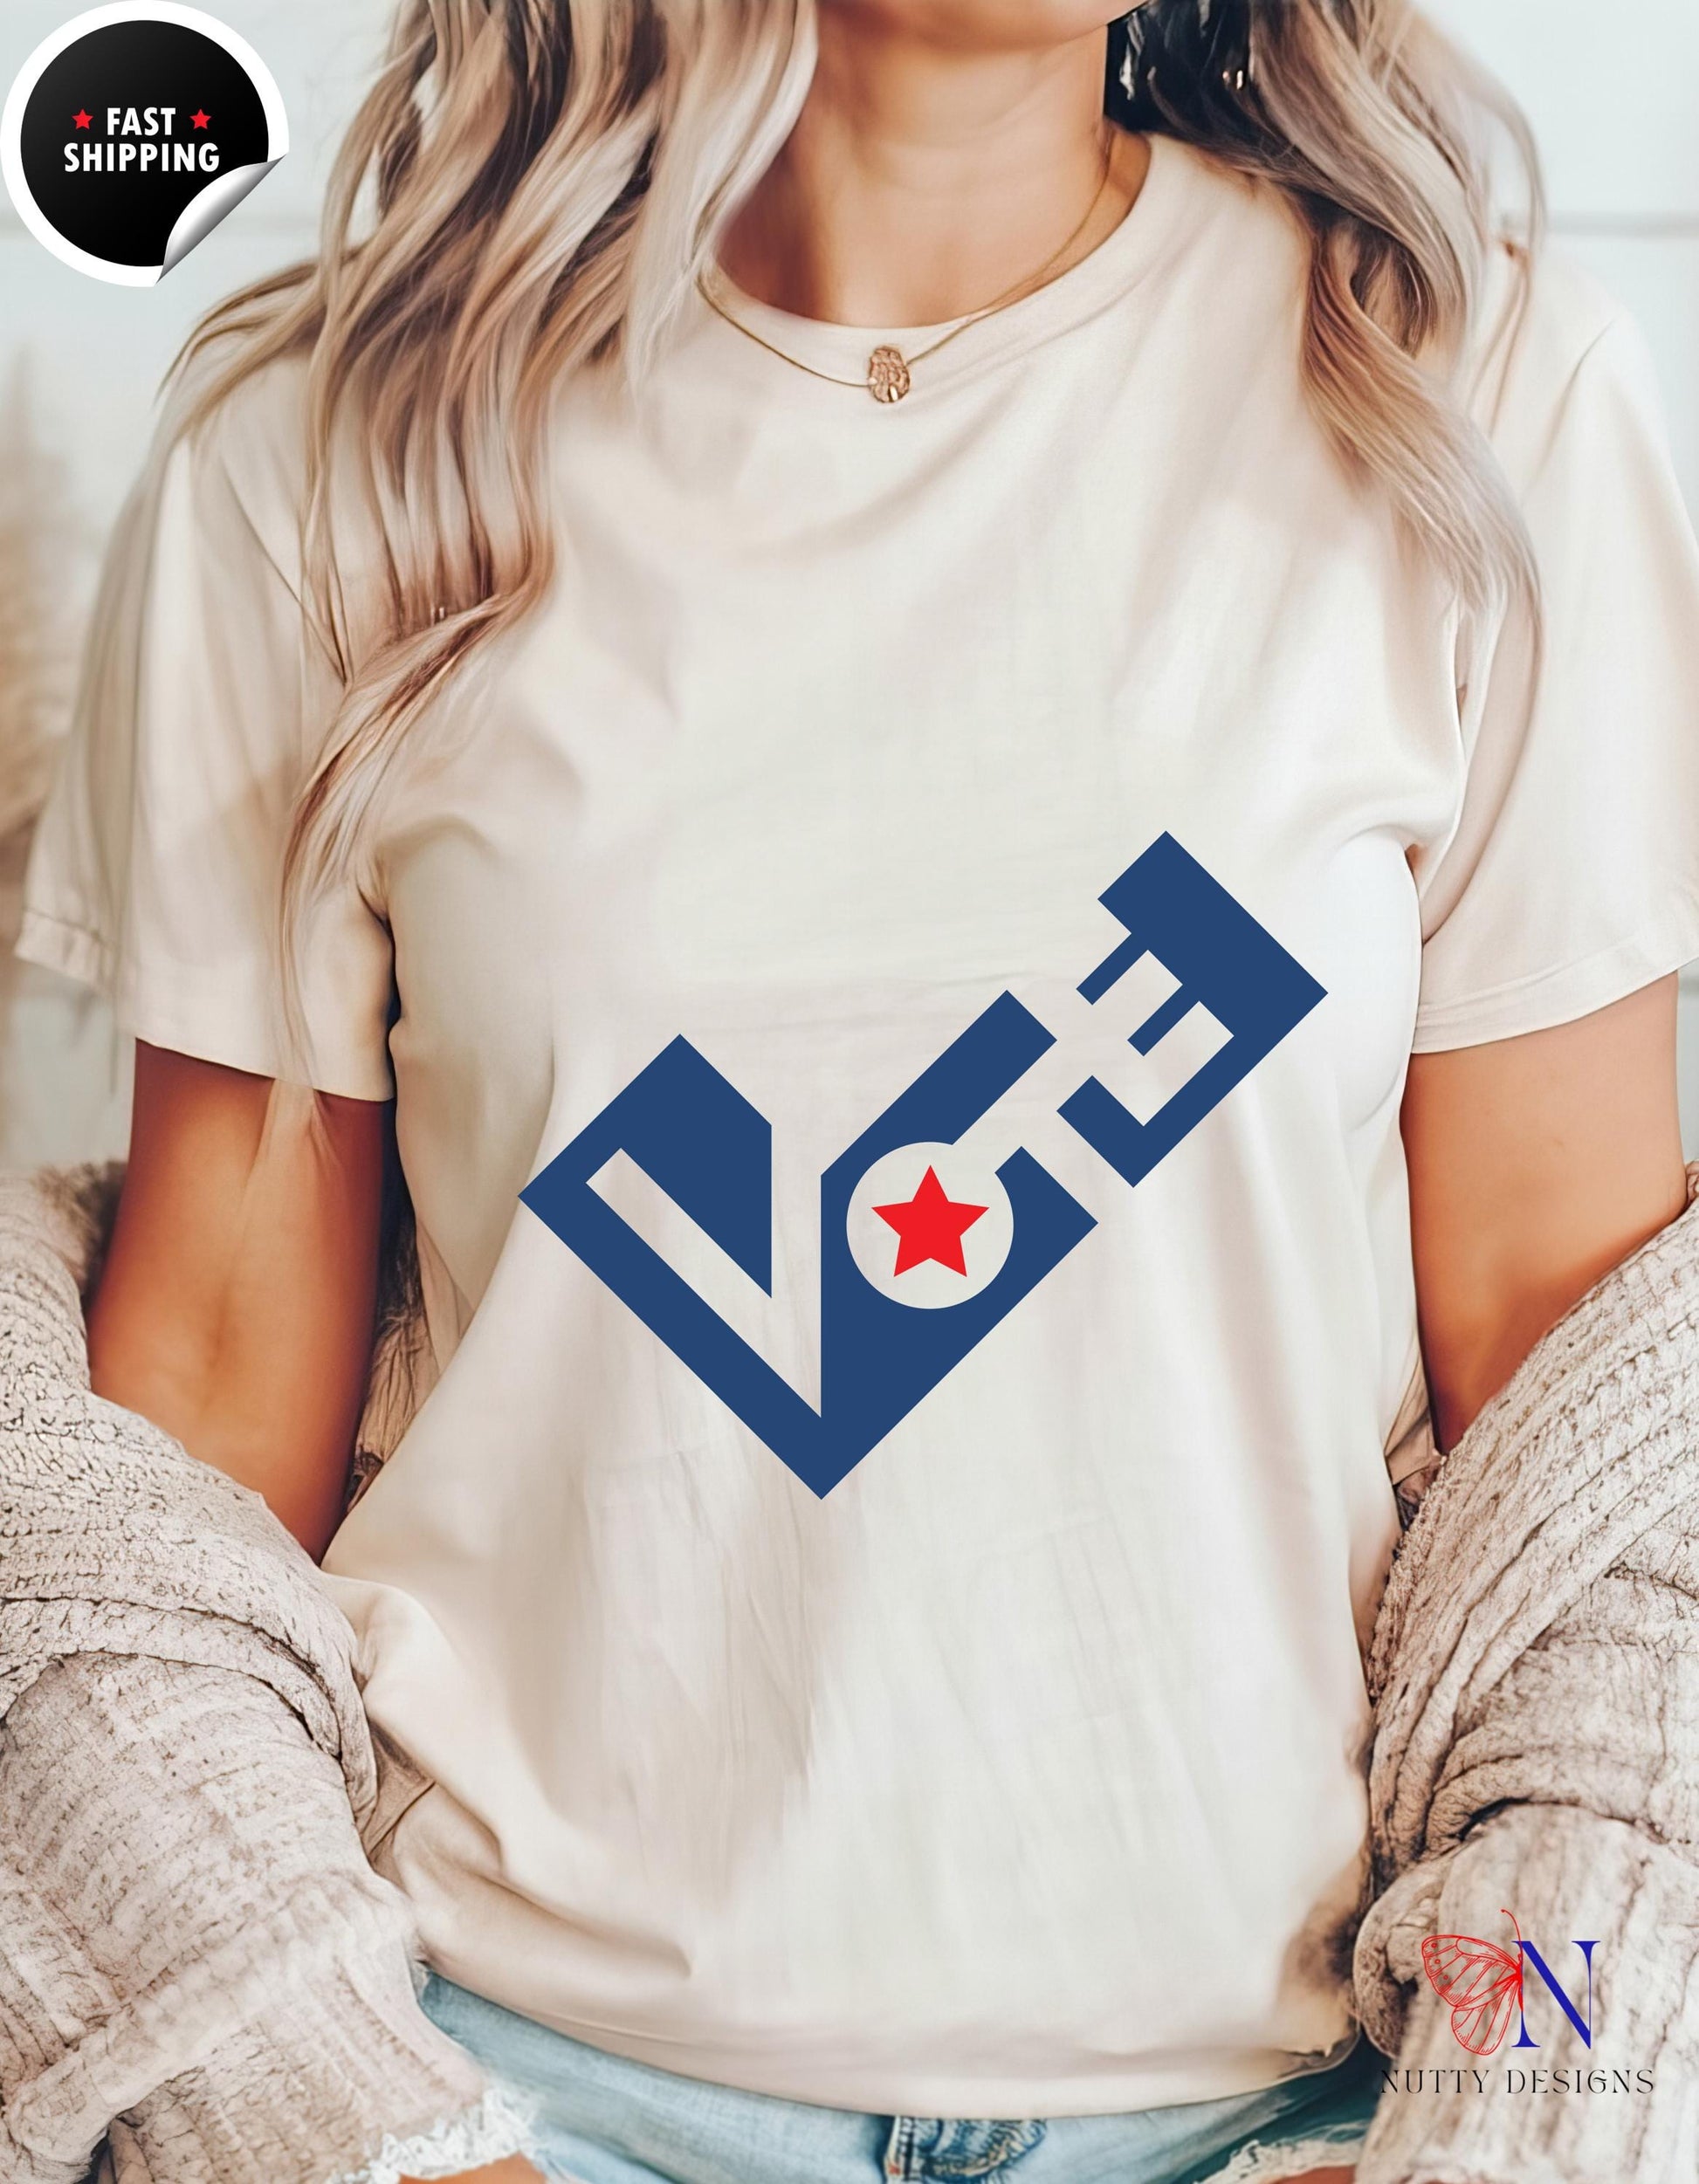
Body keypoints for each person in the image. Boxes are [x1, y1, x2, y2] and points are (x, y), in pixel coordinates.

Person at [17, 3, 1699, 2180]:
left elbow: (1606, 1522)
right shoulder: (326, 451)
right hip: (498, 2088)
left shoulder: (1465, 396)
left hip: (1298, 2111)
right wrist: (341, 2130)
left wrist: (1522, 2118)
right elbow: (180, 1493)